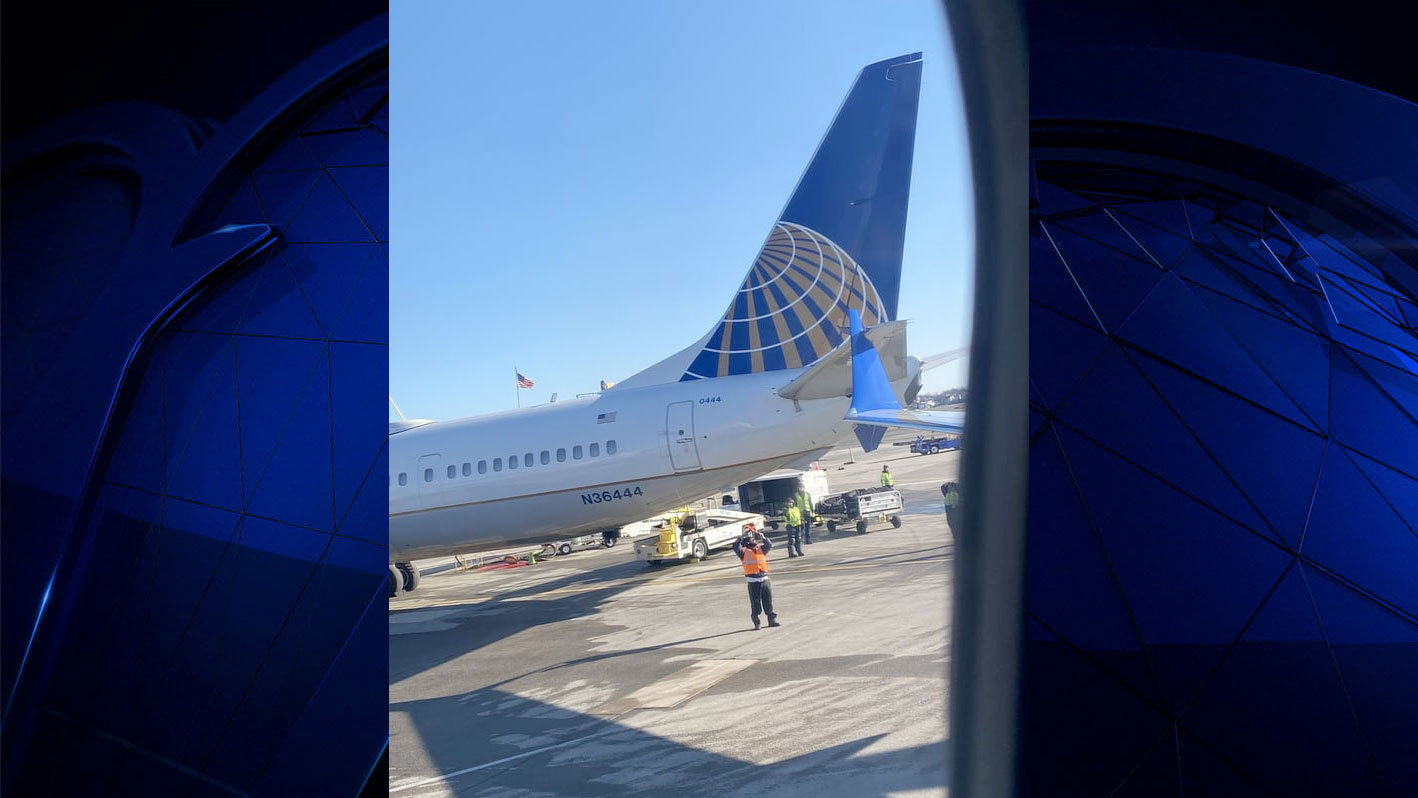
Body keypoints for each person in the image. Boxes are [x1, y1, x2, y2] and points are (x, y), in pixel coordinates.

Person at [732, 524, 779, 630]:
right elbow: (735, 546)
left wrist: (762, 536)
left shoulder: (761, 549)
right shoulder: (743, 552)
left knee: (768, 602)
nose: (753, 541)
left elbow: (769, 544)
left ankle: (771, 619)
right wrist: (740, 537)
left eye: (753, 538)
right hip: (753, 581)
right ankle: (756, 622)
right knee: (756, 604)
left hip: (765, 579)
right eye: (750, 539)